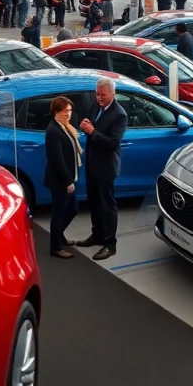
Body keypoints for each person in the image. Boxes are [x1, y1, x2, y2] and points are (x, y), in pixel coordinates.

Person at [75, 76, 128, 261]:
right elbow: (89, 123)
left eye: (103, 95)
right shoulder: (95, 107)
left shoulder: (119, 114)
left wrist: (92, 132)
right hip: (92, 164)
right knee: (94, 203)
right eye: (97, 95)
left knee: (107, 206)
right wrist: (84, 126)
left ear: (112, 94)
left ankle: (110, 244)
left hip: (106, 168)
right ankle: (96, 235)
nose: (99, 98)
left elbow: (113, 143)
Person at [44, 96, 81, 259]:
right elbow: (57, 159)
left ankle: (59, 235)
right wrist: (67, 182)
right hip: (59, 180)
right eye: (65, 111)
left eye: (70, 110)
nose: (68, 114)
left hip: (68, 178)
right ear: (56, 112)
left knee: (72, 209)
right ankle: (56, 247)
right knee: (59, 212)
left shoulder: (65, 127)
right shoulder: (54, 131)